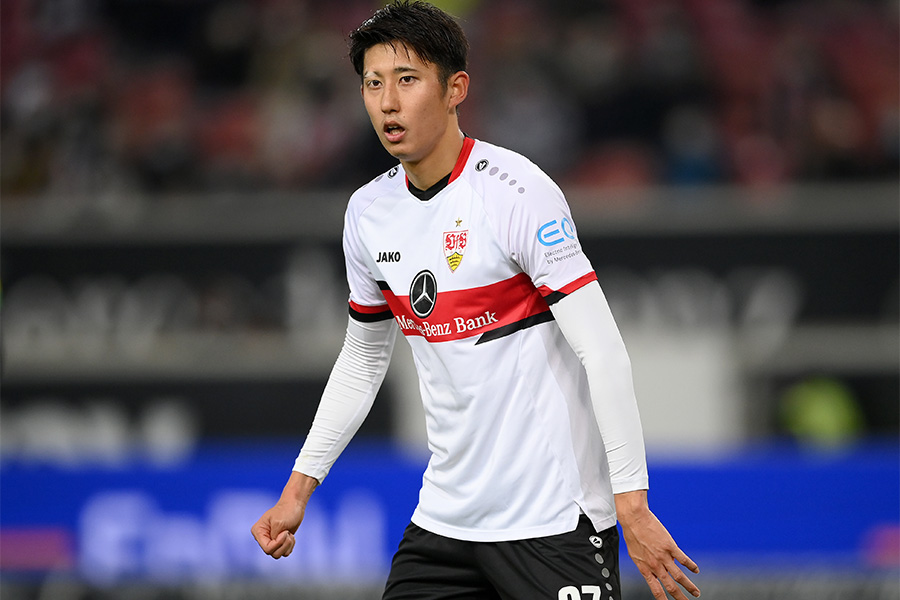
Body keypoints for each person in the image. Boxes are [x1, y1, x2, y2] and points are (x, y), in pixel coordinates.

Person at [251, 2, 701, 599]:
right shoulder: (367, 213)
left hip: (553, 522)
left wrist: (631, 504)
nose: (388, 102)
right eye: (373, 84)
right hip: (445, 524)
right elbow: (362, 361)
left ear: (455, 89)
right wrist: (297, 490)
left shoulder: (517, 193)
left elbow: (603, 351)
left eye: (407, 80)